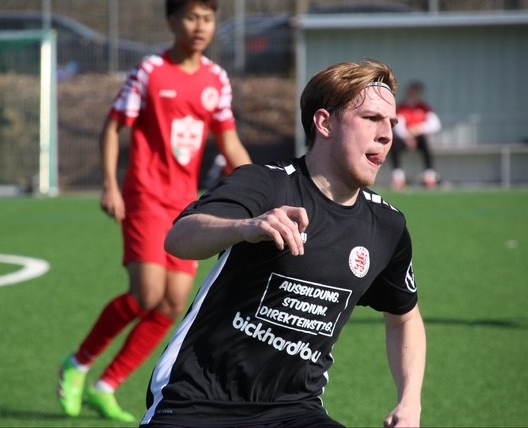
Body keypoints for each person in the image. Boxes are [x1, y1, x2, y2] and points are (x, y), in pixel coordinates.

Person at [141, 60, 426, 428]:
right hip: (196, 402)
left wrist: (410, 401)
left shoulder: (387, 227)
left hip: (294, 410)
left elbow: (404, 318)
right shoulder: (265, 184)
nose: (387, 134)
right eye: (372, 119)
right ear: (324, 123)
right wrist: (246, 226)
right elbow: (180, 238)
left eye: (391, 123)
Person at [57, 0, 251, 423]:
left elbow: (230, 143)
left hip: (185, 203)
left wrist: (259, 188)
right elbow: (113, 127)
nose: (199, 26)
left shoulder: (216, 79)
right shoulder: (150, 71)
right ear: (171, 21)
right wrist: (111, 185)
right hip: (144, 194)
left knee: (172, 303)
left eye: (207, 18)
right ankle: (78, 363)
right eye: (191, 17)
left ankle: (107, 386)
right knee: (146, 294)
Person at [390, 80, 441, 190]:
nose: (415, 95)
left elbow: (435, 125)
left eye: (417, 93)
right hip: (404, 140)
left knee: (426, 147)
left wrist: (418, 129)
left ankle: (429, 176)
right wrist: (408, 137)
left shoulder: (424, 108)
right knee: (394, 148)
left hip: (419, 139)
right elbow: (398, 126)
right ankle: (398, 177)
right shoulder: (402, 108)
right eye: (413, 92)